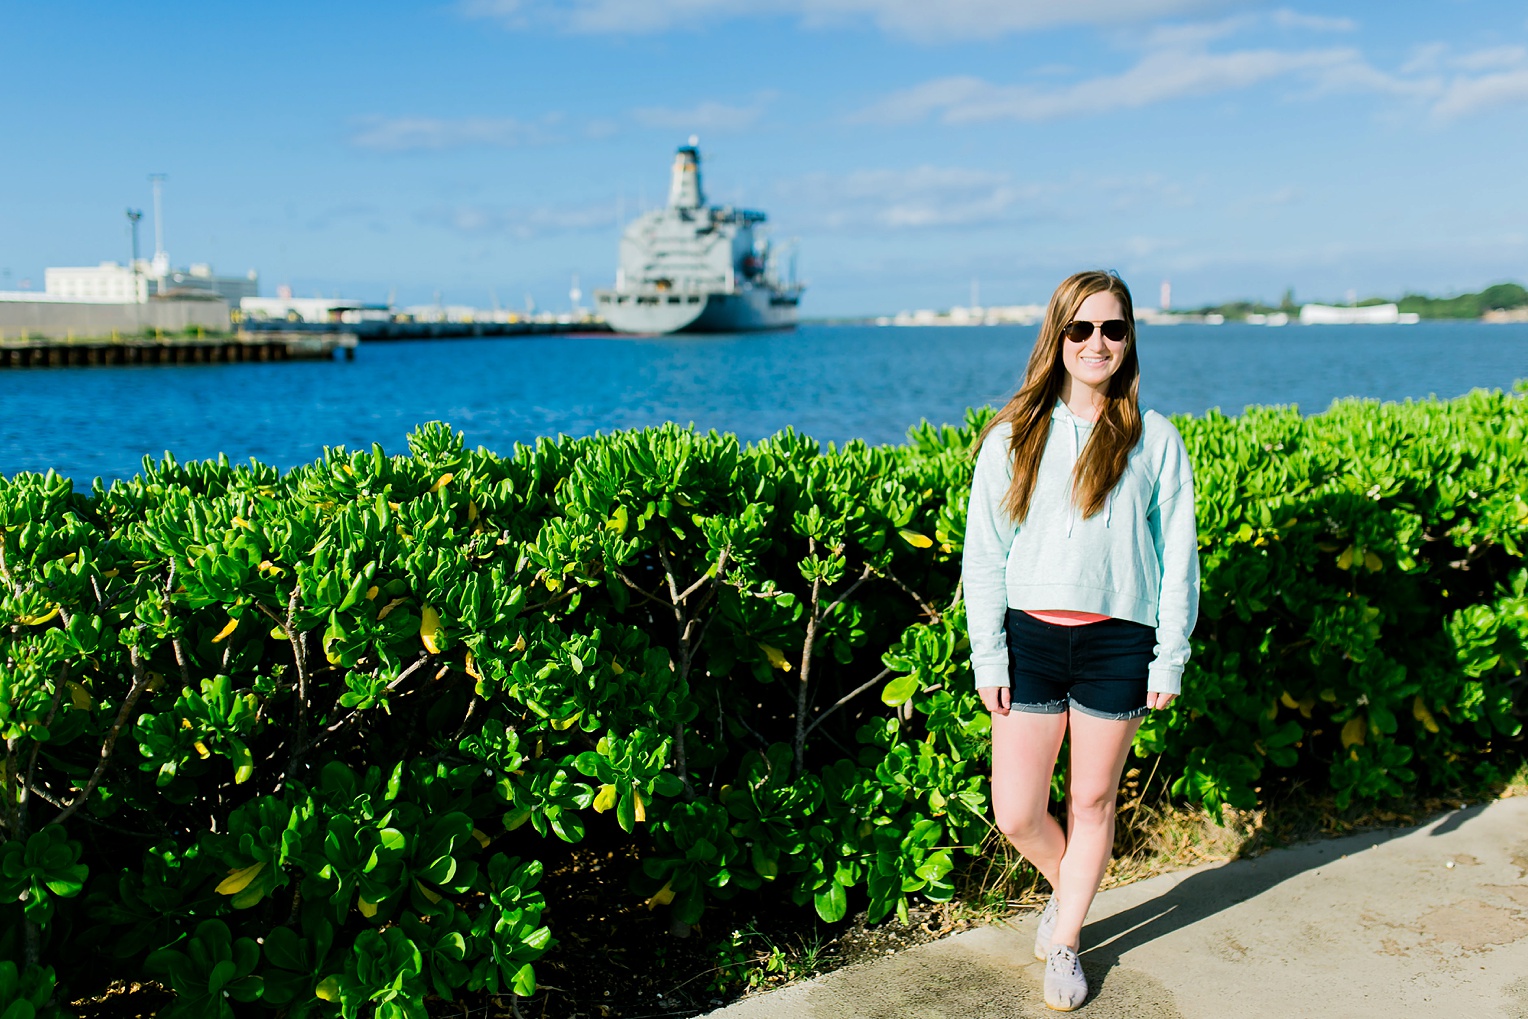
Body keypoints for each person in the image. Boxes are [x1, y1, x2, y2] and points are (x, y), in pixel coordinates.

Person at [962, 270, 1199, 1011]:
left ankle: (1065, 938)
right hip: (1030, 640)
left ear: (1129, 340)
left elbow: (1178, 557)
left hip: (1119, 645)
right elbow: (985, 554)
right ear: (1058, 337)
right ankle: (1072, 895)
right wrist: (988, 654)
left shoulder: (1153, 438)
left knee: (1093, 801)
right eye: (1082, 328)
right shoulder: (1012, 437)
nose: (1098, 342)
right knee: (1017, 811)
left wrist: (1170, 654)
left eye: (1114, 328)